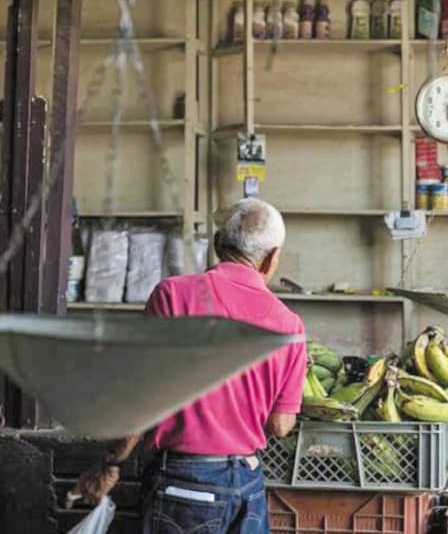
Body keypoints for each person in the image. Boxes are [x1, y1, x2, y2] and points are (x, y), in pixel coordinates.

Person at [68, 198, 307, 534]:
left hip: (186, 484)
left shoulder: (173, 295)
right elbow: (282, 425)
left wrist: (110, 464)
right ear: (272, 258)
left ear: (217, 244)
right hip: (248, 483)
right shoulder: (290, 324)